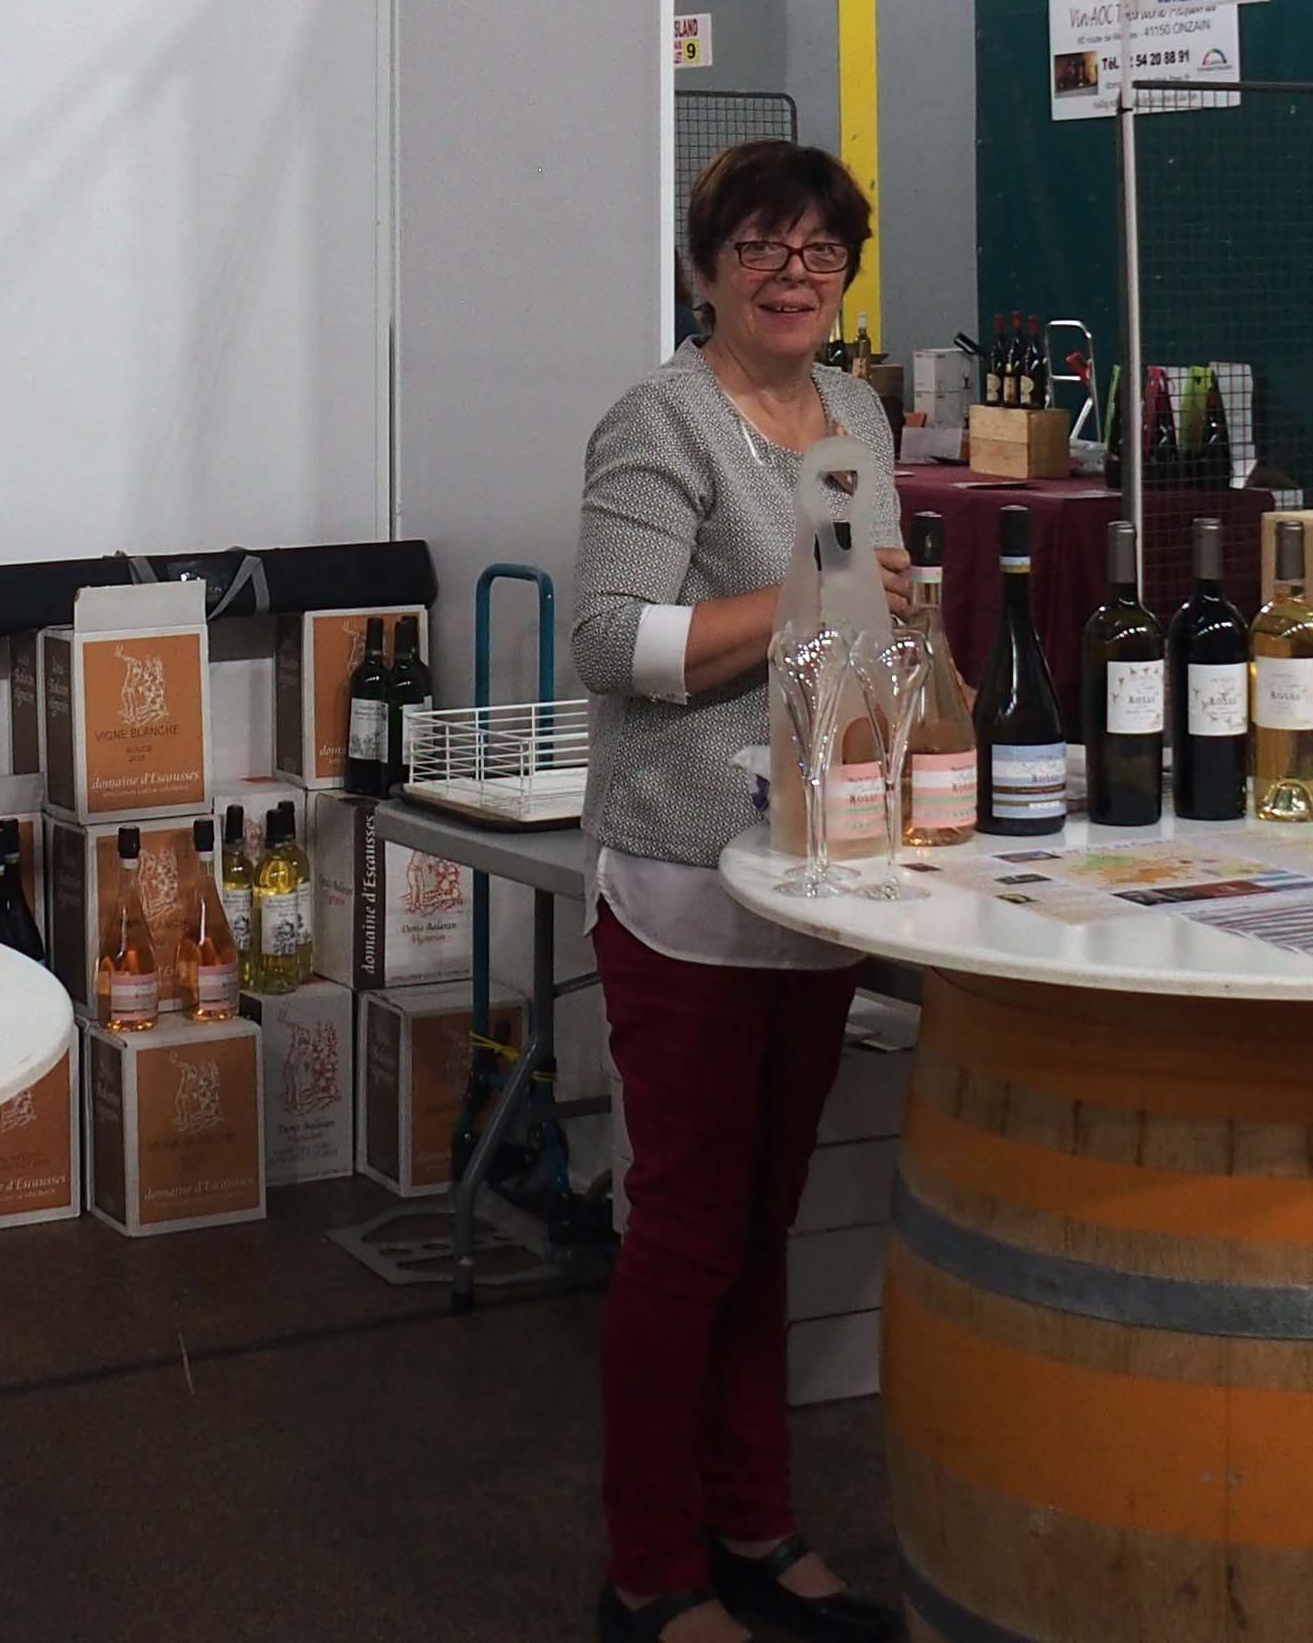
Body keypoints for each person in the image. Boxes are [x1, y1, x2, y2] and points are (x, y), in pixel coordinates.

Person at [572, 139, 908, 1643]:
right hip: (688, 876)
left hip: (821, 872)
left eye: (821, 250)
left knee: (767, 1220)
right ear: (704, 271)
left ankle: (756, 1523)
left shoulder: (855, 413)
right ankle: (654, 1572)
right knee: (687, 1232)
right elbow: (612, 641)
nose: (794, 273)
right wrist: (807, 602)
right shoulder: (661, 420)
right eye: (762, 246)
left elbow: (864, 619)